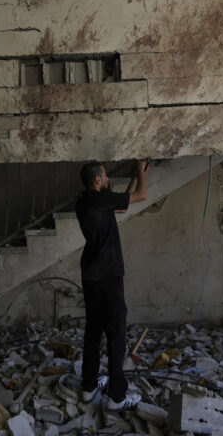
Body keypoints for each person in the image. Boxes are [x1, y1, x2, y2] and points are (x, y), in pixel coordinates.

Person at [74, 160, 147, 410]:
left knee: (93, 333)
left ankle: (88, 387)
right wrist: (139, 172)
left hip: (91, 276)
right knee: (116, 335)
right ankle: (117, 397)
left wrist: (134, 178)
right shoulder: (100, 200)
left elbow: (123, 204)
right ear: (97, 180)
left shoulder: (85, 203)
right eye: (104, 177)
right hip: (108, 276)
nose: (106, 180)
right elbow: (142, 196)